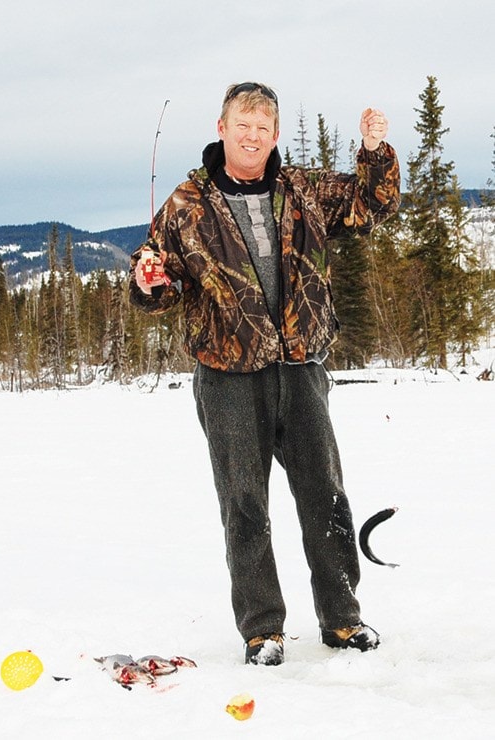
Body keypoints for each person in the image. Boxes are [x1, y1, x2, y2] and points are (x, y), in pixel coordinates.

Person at [129, 82, 400, 666]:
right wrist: (149, 282)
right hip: (227, 374)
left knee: (324, 493)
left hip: (300, 366)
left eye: (262, 128)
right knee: (244, 502)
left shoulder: (300, 187)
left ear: (274, 135)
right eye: (241, 125)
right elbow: (156, 280)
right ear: (221, 127)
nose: (252, 137)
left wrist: (375, 151)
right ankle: (262, 629)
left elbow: (368, 203)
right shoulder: (185, 204)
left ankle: (343, 619)